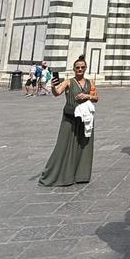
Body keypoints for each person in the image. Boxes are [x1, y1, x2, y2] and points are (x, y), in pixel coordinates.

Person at [40, 56, 98, 187]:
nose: (80, 69)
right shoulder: (68, 82)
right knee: (63, 144)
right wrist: (54, 86)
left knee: (84, 145)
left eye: (82, 67)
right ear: (73, 69)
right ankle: (55, 174)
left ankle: (80, 175)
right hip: (70, 117)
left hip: (85, 118)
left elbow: (96, 97)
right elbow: (57, 93)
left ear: (85, 68)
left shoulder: (91, 82)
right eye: (77, 67)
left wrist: (87, 96)